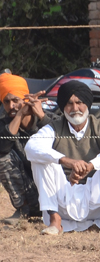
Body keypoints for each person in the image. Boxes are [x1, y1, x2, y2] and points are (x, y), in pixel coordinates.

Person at [24, 80, 100, 235]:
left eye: (79, 102)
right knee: (41, 159)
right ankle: (55, 222)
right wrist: (67, 161)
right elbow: (31, 147)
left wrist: (91, 165)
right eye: (69, 104)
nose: (75, 109)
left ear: (87, 104)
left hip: (98, 201)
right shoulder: (54, 128)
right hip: (63, 201)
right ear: (63, 107)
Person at [0, 74, 46, 224]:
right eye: (6, 102)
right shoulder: (3, 124)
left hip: (53, 192)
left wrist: (42, 116)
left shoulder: (46, 120)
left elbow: (61, 144)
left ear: (26, 99)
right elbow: (2, 149)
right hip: (28, 194)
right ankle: (23, 210)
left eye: (16, 100)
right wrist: (19, 114)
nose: (11, 106)